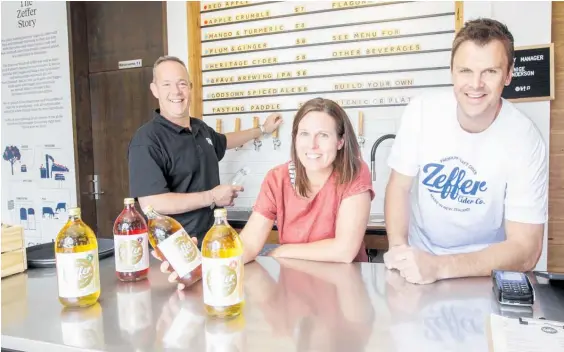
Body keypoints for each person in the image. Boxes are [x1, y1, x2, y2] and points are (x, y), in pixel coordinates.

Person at [383, 18, 548, 284]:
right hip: (420, 266)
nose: (476, 84)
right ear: (452, 71)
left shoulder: (525, 140)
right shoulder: (421, 111)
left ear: (508, 74)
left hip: (486, 272)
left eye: (490, 72)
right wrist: (400, 249)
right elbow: (399, 186)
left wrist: (440, 267)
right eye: (465, 71)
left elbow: (526, 249)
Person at [128, 55, 283, 244]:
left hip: (211, 240)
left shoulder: (200, 129)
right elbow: (152, 203)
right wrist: (211, 197)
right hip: (175, 248)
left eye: (182, 83)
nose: (176, 91)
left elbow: (225, 141)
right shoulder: (147, 140)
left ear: (190, 88)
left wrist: (262, 130)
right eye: (166, 84)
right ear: (155, 90)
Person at [240, 97, 374, 264]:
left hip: (343, 284)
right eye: (304, 134)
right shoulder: (277, 178)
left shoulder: (355, 173)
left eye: (323, 135)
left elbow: (344, 251)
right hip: (292, 283)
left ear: (340, 141)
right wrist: (212, 265)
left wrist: (283, 250)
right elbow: (249, 244)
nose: (312, 145)